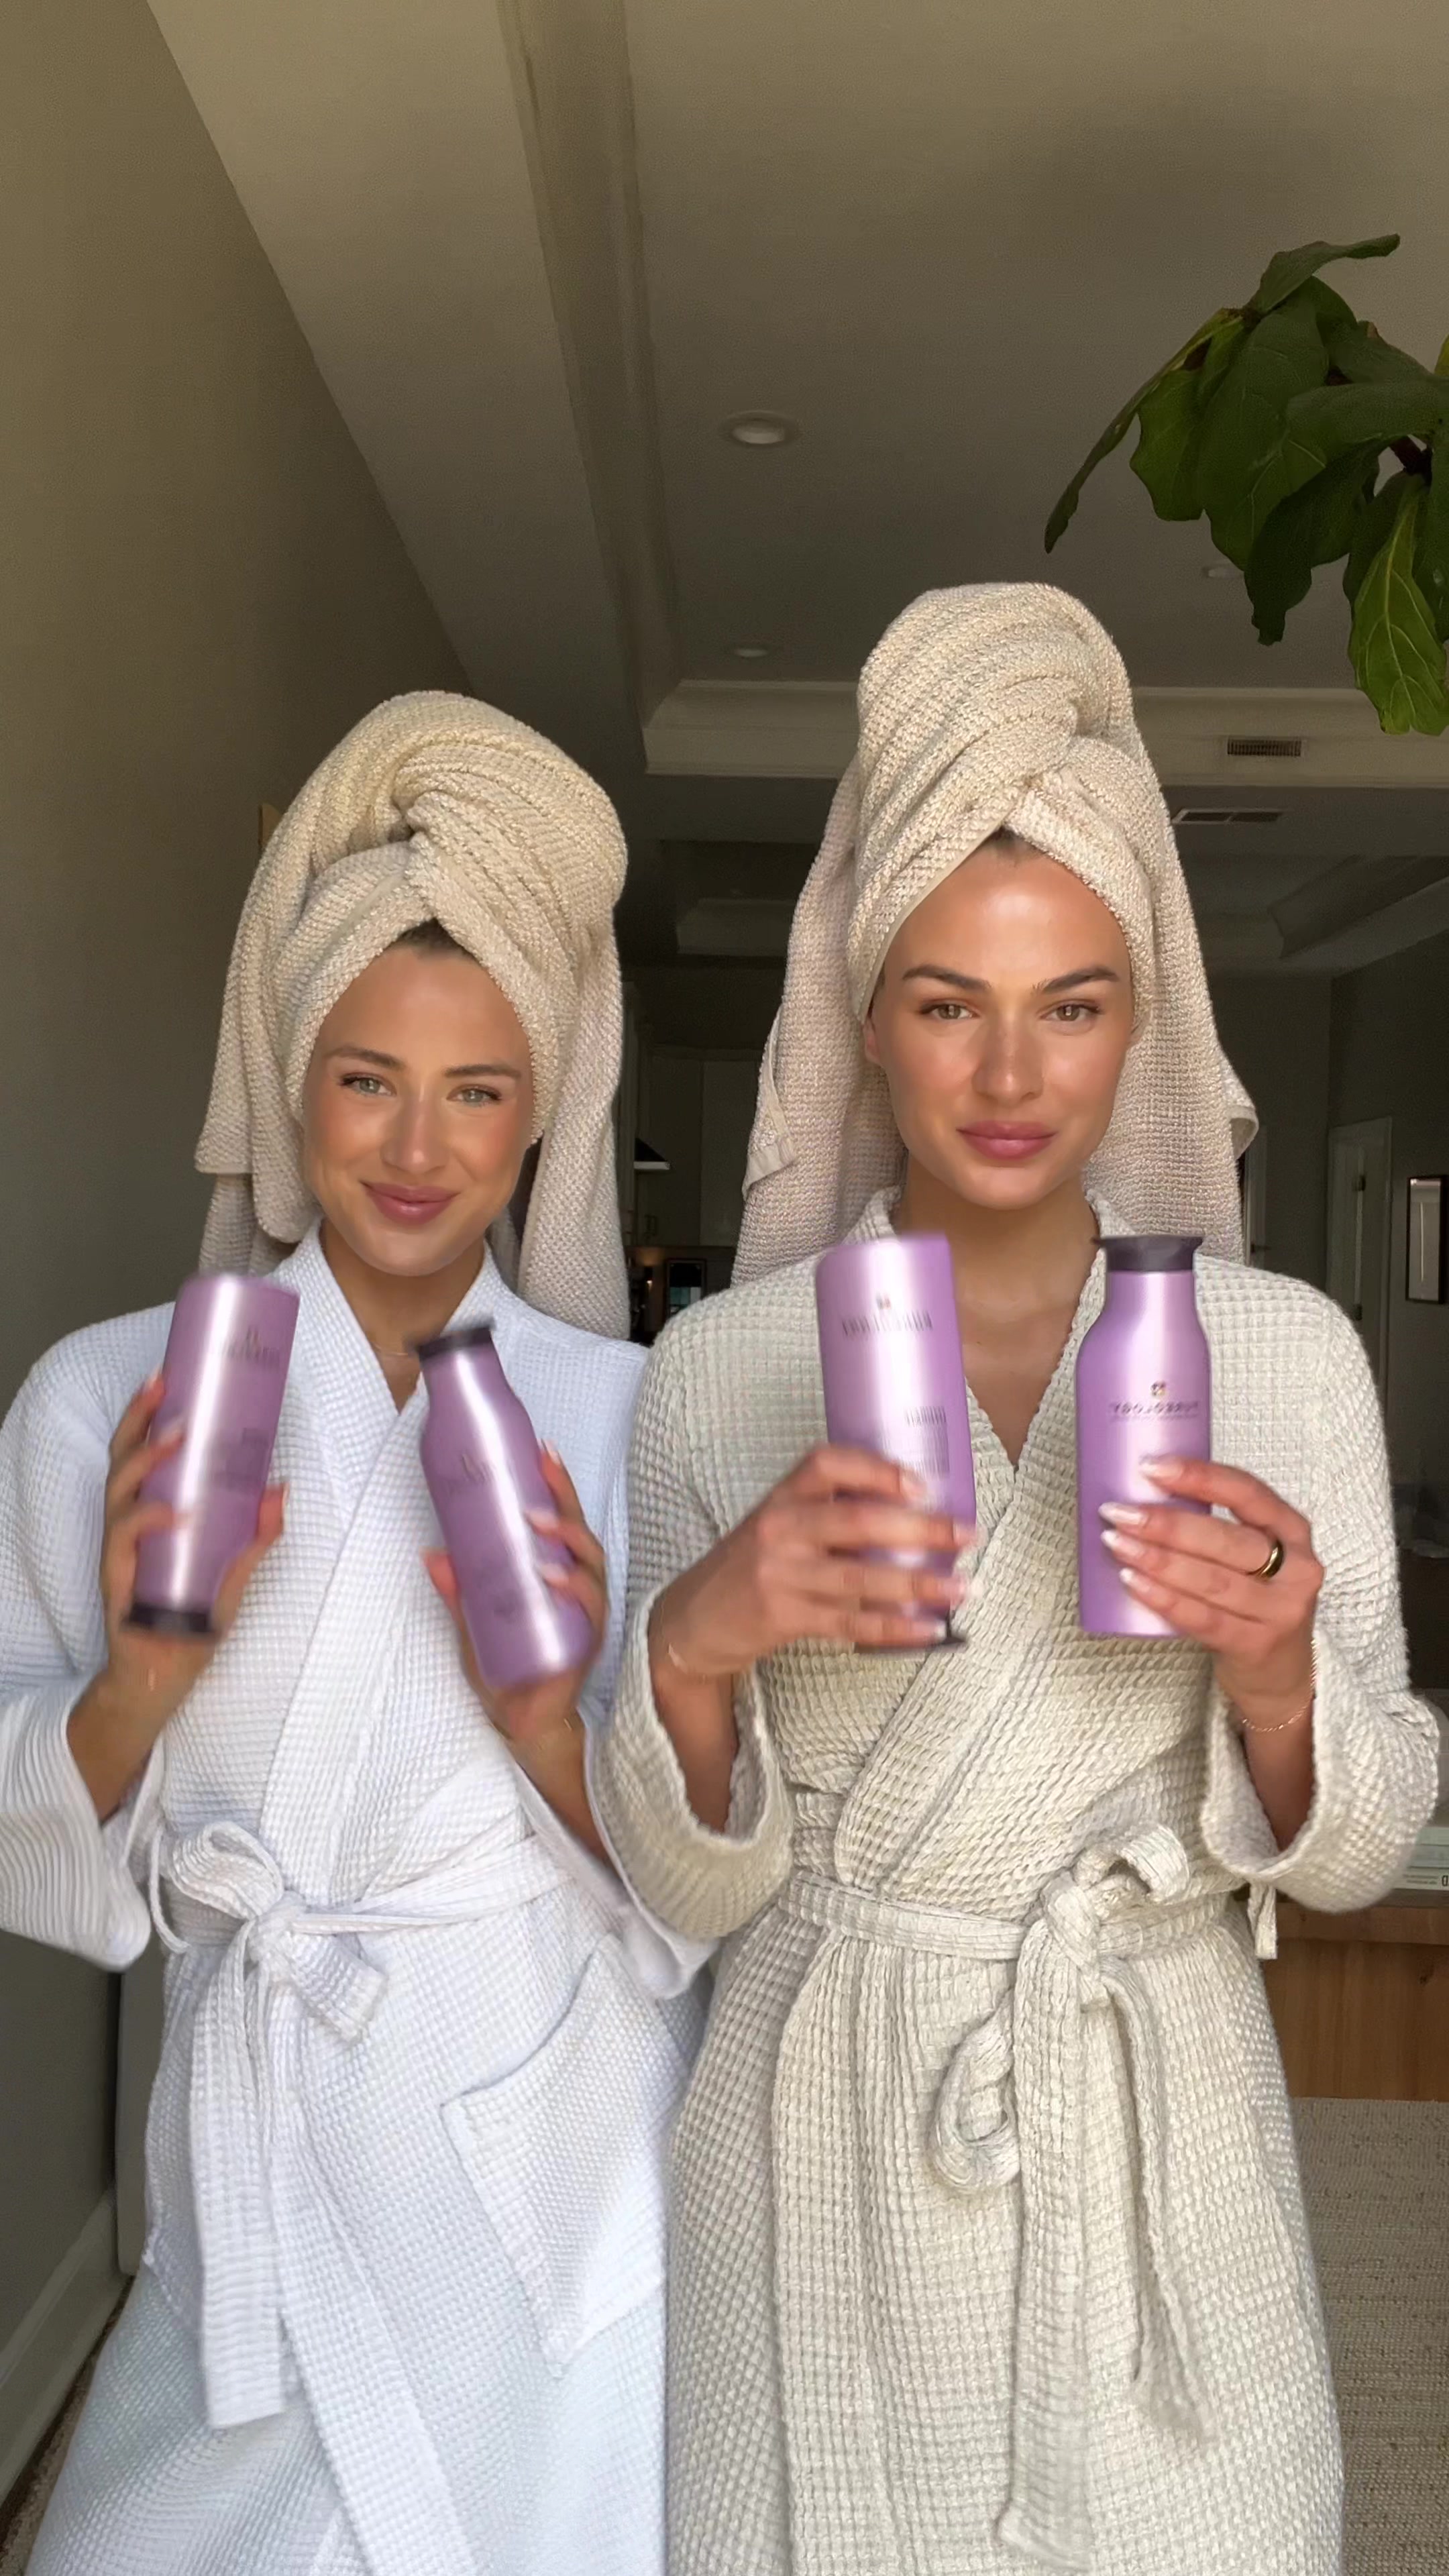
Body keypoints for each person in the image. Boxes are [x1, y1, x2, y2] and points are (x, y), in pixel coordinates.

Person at [590, 586, 1439, 2576]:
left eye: (1071, 1002)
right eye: (946, 1000)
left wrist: (1281, 1681)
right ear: (864, 1016)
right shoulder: (722, 1368)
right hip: (820, 2121)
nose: (1006, 1071)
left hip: (1145, 2092)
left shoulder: (1289, 1354)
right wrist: (698, 1648)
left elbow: (1364, 1856)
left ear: (1144, 1022)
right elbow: (683, 1893)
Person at [0, 694, 704, 2576]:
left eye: (478, 1090)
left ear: (543, 1111)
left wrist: (552, 1707)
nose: (416, 1147)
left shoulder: (634, 1417)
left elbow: (701, 1887)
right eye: (365, 1077)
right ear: (287, 1076)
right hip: (262, 2150)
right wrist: (147, 1672)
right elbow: (29, 1845)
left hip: (551, 2176)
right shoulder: (100, 1402)